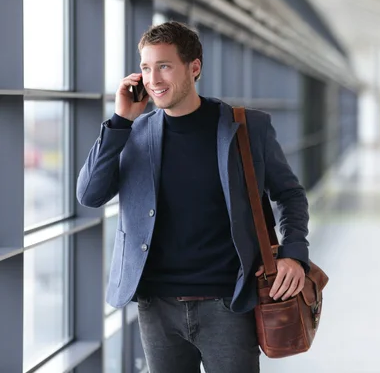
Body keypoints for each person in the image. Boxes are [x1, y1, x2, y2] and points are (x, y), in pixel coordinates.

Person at [76, 21, 310, 373]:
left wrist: (294, 253)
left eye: (164, 66)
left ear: (194, 67)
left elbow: (289, 194)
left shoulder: (246, 127)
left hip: (228, 303)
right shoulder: (132, 132)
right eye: (145, 67)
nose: (153, 79)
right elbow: (90, 195)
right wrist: (120, 120)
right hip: (157, 308)